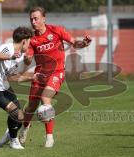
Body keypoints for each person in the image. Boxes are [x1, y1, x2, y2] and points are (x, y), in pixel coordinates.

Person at [18, 6, 92, 148]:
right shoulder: (31, 39)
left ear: (43, 19)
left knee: (46, 100)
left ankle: (49, 138)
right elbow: (28, 60)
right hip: (39, 75)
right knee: (31, 107)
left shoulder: (56, 30)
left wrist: (83, 43)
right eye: (31, 19)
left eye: (36, 18)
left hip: (57, 72)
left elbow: (74, 43)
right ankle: (25, 128)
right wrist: (26, 57)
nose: (33, 21)